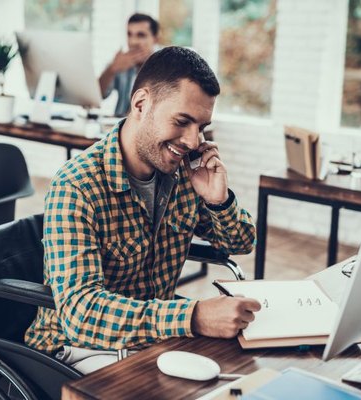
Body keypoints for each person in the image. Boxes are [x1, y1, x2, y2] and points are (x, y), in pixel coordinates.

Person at [25, 46, 261, 374]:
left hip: (148, 339)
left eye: (202, 126)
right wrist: (193, 317)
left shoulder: (183, 173)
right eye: (182, 121)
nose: (194, 141)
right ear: (140, 104)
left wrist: (216, 201)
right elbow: (82, 314)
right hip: (78, 346)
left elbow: (241, 244)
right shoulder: (77, 185)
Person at [99, 13, 159, 117]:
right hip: (118, 124)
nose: (133, 42)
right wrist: (112, 69)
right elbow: (99, 95)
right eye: (129, 34)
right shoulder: (122, 62)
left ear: (155, 39)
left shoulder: (164, 67)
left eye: (141, 35)